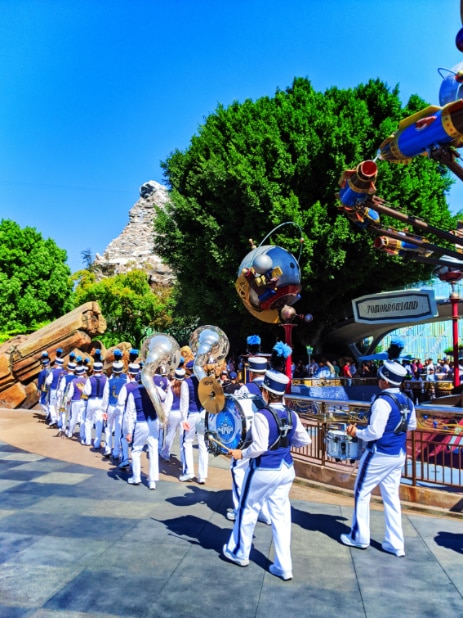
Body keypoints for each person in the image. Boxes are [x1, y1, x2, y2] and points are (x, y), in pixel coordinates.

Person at [222, 369, 311, 580]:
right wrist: (287, 444)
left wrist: (240, 453)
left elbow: (259, 447)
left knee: (247, 508)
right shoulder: (292, 414)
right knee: (281, 516)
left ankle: (240, 553)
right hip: (286, 469)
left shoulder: (263, 416)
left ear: (266, 393)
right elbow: (305, 441)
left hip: (264, 469)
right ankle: (284, 566)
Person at [340, 360, 416, 557]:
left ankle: (359, 537)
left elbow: (374, 432)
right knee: (391, 498)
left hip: (379, 453)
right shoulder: (407, 400)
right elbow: (412, 425)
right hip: (397, 454)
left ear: (384, 380)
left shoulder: (382, 401)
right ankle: (395, 543)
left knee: (362, 492)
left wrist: (357, 432)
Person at [123, 370, 163, 490]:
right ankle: (152, 481)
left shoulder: (133, 392)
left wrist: (129, 431)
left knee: (136, 450)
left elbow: (129, 413)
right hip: (153, 421)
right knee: (153, 449)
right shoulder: (154, 389)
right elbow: (164, 396)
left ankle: (136, 477)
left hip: (141, 423)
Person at [179, 360, 208, 484]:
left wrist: (183, 419)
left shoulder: (186, 382)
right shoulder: (205, 381)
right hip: (203, 414)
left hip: (192, 414)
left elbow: (184, 402)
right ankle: (202, 475)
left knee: (187, 442)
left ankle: (189, 471)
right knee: (203, 444)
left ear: (189, 370)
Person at [160, 368, 189, 461]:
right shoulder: (186, 387)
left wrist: (165, 416)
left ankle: (166, 454)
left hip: (173, 413)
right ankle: (183, 458)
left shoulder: (172, 388)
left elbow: (168, 403)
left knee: (170, 435)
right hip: (183, 414)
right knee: (182, 436)